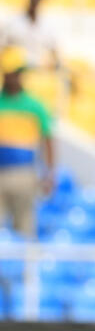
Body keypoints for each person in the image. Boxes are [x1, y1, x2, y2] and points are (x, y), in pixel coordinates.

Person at [0, 47, 54, 239]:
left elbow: (48, 140)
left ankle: (24, 260)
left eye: (17, 73)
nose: (14, 78)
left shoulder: (35, 106)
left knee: (24, 228)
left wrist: (49, 173)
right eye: (11, 73)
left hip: (25, 174)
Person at [1, 0, 58, 70]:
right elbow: (3, 45)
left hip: (39, 67)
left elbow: (53, 48)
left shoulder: (48, 24)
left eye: (37, 1)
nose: (35, 3)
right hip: (17, 68)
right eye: (33, 0)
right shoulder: (13, 21)